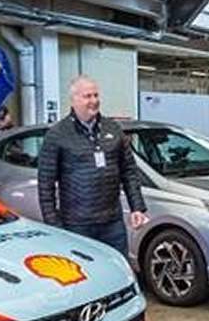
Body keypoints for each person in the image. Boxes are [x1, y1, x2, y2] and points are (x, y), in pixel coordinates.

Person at [37, 75, 149, 257]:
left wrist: (137, 206)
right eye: (87, 96)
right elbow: (46, 184)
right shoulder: (57, 135)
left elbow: (129, 171)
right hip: (77, 225)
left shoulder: (113, 129)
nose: (94, 101)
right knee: (85, 276)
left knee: (117, 269)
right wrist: (54, 225)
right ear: (73, 101)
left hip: (112, 223)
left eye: (96, 95)